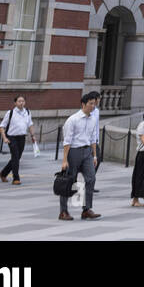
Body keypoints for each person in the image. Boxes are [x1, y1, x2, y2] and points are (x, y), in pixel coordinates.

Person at [59, 91, 101, 221]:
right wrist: (64, 159)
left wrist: (94, 156)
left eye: (94, 104)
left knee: (91, 178)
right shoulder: (73, 119)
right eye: (90, 103)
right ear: (83, 104)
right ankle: (63, 211)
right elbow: (67, 141)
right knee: (69, 181)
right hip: (74, 152)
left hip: (87, 151)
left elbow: (93, 138)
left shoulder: (93, 119)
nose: (93, 106)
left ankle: (86, 209)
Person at [0, 94, 36, 185]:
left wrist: (33, 135)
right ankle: (16, 178)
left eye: (23, 101)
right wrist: (4, 138)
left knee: (16, 158)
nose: (21, 103)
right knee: (15, 156)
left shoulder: (27, 112)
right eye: (19, 101)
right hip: (12, 137)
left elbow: (30, 124)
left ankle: (3, 174)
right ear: (15, 103)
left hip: (22, 137)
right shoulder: (10, 113)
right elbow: (2, 126)